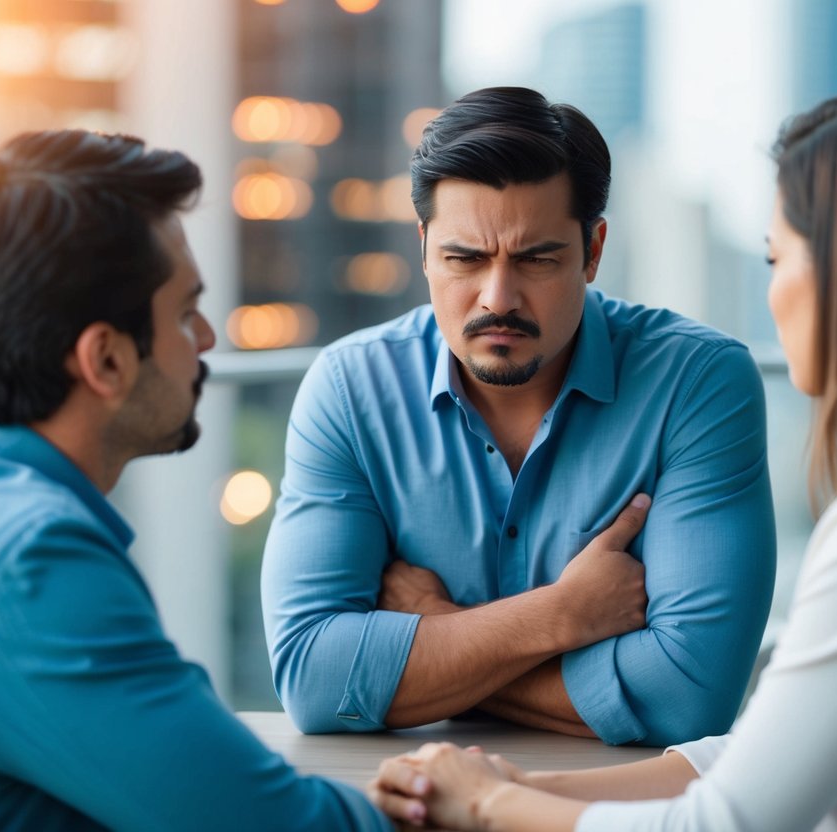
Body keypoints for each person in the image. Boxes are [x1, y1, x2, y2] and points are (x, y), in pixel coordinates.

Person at [367, 89, 837, 831]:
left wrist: (484, 796)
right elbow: (764, 756)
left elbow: (722, 824)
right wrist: (525, 782)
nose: (771, 293)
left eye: (777, 257)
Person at [0, 130, 390, 831]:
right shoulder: (30, 564)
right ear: (105, 361)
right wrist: (474, 795)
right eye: (182, 313)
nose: (205, 339)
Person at [261, 86, 777, 747]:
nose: (497, 298)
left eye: (537, 259)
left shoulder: (696, 383)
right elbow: (312, 679)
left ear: (592, 251)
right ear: (422, 248)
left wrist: (435, 630)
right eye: (463, 258)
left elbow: (687, 699)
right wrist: (562, 616)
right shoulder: (349, 388)